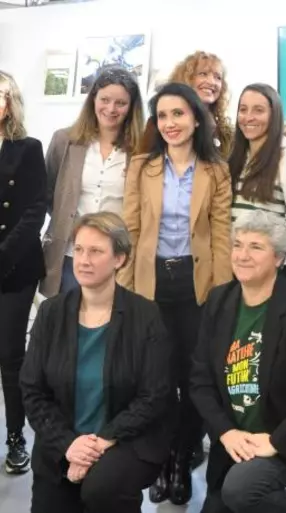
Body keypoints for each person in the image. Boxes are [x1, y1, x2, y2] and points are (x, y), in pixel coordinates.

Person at [119, 82, 233, 505]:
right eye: (163, 116)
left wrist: (220, 295)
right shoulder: (142, 167)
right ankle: (162, 456)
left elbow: (221, 236)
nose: (170, 123)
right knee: (156, 379)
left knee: (193, 378)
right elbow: (130, 230)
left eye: (178, 114)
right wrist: (126, 290)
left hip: (195, 283)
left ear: (196, 118)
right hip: (150, 282)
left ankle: (183, 456)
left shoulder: (216, 170)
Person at [20, 212, 174, 513]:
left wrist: (100, 442)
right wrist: (69, 446)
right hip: (62, 442)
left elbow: (154, 395)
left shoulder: (145, 316)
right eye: (78, 249)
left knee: (103, 489)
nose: (83, 260)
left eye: (95, 251)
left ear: (119, 259)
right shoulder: (51, 313)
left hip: (125, 441)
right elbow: (32, 391)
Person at [191, 210, 286, 513]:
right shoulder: (219, 301)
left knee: (241, 492)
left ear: (279, 258)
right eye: (238, 245)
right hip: (236, 443)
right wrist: (225, 431)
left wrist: (277, 442)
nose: (242, 255)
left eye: (256, 247)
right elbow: (199, 381)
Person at [41, 66, 144, 297]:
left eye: (121, 103)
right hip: (70, 256)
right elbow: (48, 195)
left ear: (132, 107)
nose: (111, 109)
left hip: (117, 260)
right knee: (64, 326)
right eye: (105, 99)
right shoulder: (64, 141)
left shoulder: (141, 150)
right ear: (93, 99)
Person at [0, 70, 46, 475]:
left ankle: (16, 436)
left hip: (14, 267)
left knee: (10, 356)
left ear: (10, 102)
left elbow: (34, 212)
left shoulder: (28, 148)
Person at [228, 83, 286, 285]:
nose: (248, 117)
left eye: (258, 110)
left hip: (280, 271)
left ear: (274, 115)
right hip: (243, 267)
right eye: (243, 109)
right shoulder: (237, 157)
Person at [139, 51, 233, 158]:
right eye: (203, 74)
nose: (212, 82)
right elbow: (143, 166)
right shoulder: (159, 123)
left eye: (218, 77)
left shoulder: (225, 131)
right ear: (186, 79)